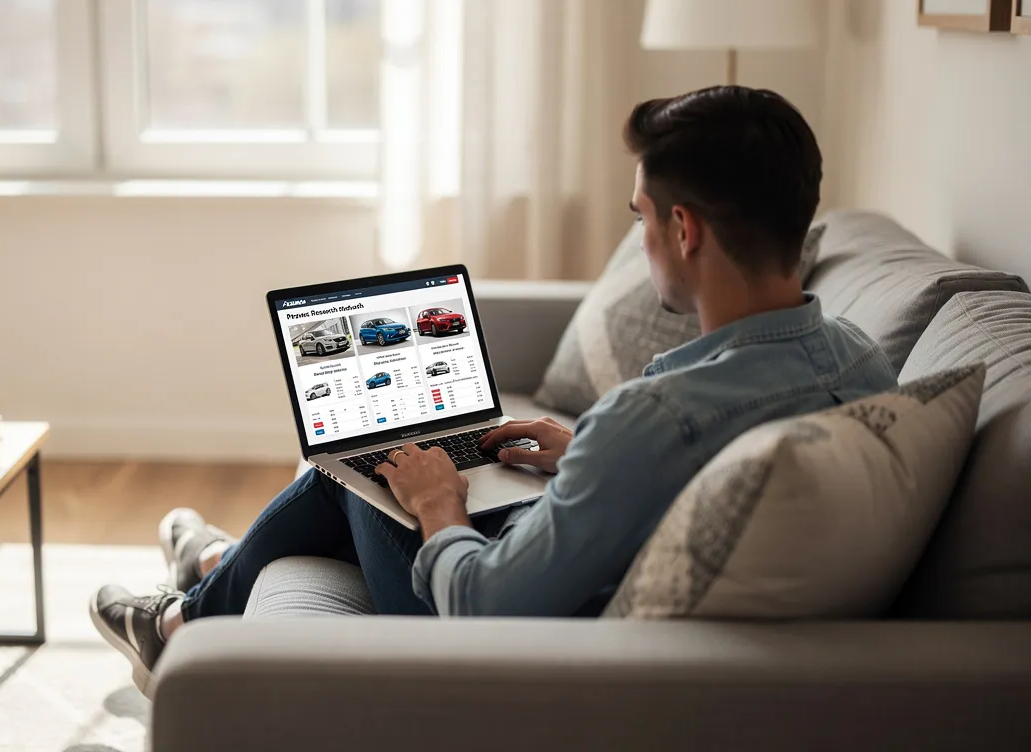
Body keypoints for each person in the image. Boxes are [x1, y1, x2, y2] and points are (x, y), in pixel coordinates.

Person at [89, 86, 899, 692]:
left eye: (641, 216)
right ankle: (211, 574)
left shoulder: (655, 418)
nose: (642, 236)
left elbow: (483, 610)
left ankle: (185, 611)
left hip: (502, 651)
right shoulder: (861, 360)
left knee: (367, 463)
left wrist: (441, 506)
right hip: (592, 574)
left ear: (682, 230)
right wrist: (587, 455)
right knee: (387, 461)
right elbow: (692, 465)